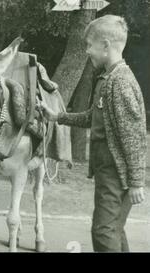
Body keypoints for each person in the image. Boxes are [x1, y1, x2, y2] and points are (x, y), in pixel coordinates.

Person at [41, 15, 146, 252]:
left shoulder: (120, 82)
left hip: (115, 173)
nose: (87, 50)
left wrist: (137, 182)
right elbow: (92, 117)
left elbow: (134, 136)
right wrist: (57, 116)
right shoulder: (107, 79)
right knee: (113, 230)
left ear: (106, 45)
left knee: (103, 231)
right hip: (106, 170)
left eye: (89, 44)